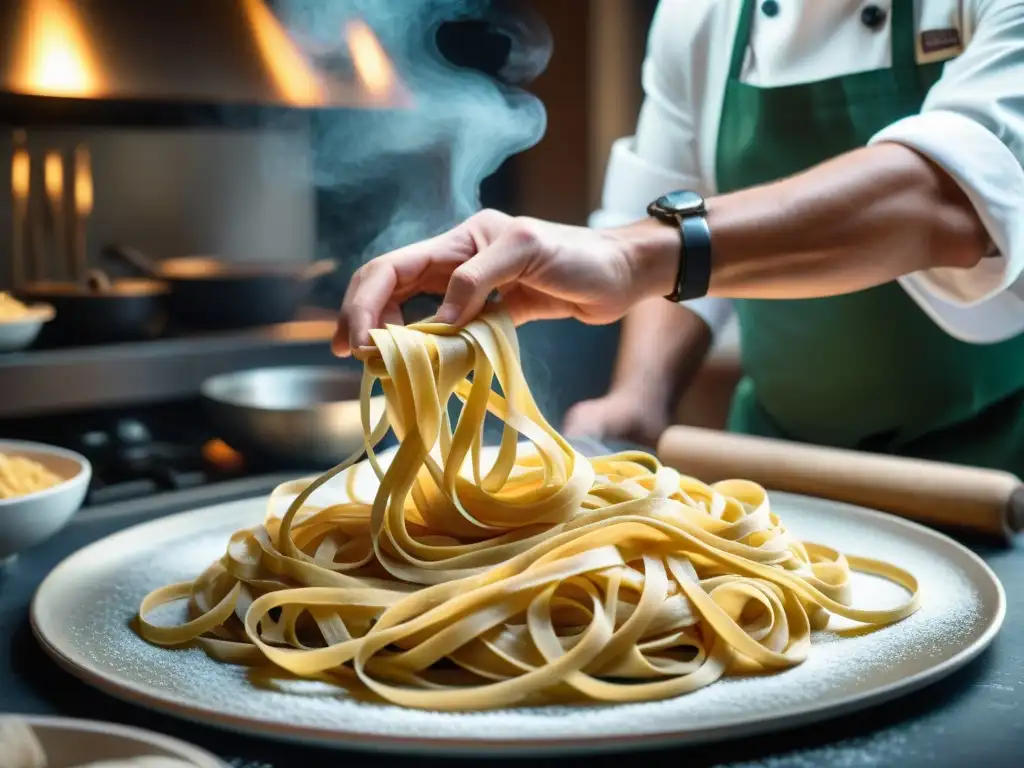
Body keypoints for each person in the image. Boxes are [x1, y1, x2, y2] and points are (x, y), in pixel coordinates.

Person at [334, 0, 1024, 473]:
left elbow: (952, 199)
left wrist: (631, 255)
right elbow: (672, 195)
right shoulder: (704, 13)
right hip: (779, 471)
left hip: (990, 465)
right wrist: (641, 396)